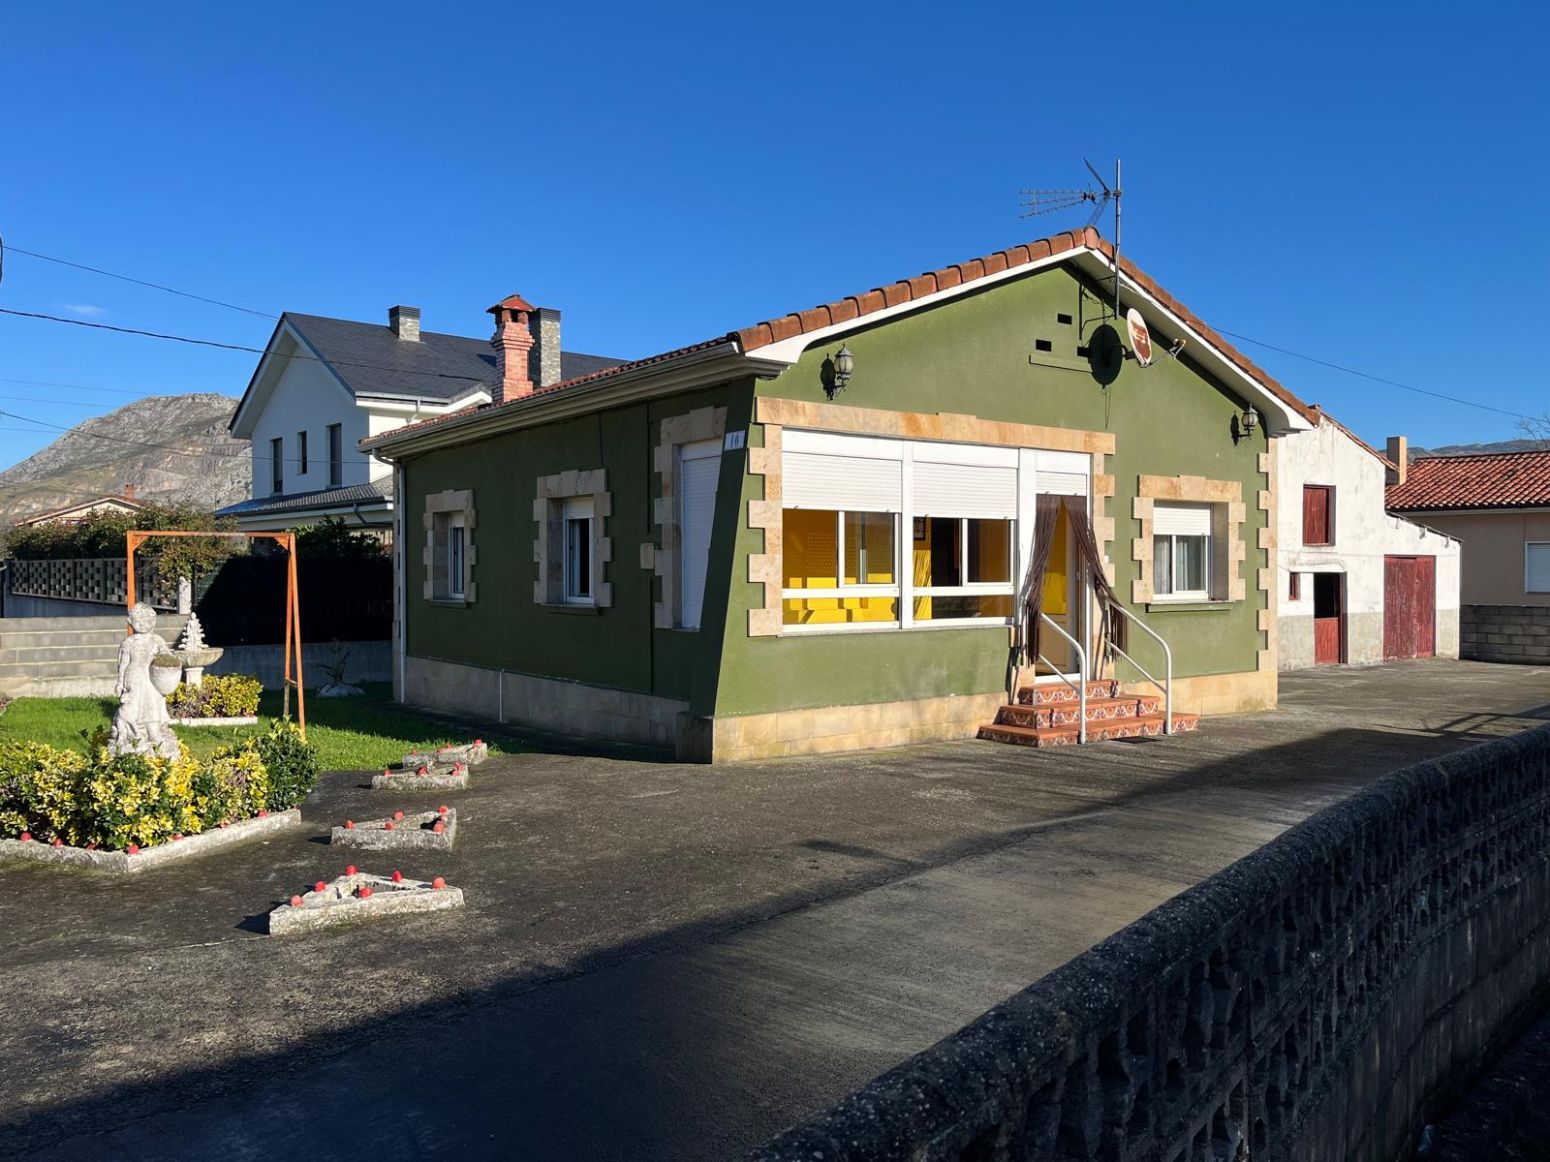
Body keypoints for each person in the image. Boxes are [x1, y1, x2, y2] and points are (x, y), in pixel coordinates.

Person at [108, 603, 181, 759]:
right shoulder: (128, 643)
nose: (142, 624)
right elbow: (123, 663)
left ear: (153, 622)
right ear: (130, 622)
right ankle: (133, 733)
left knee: (153, 703)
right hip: (134, 676)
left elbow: (167, 655)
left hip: (151, 677)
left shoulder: (157, 640)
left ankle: (154, 731)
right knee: (132, 704)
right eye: (138, 621)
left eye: (147, 620)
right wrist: (120, 682)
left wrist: (168, 658)